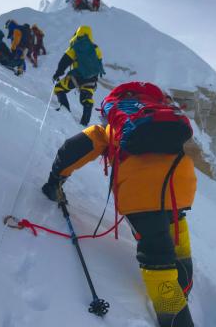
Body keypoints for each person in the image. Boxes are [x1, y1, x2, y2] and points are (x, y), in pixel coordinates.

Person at [41, 82, 196, 327]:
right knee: (176, 236)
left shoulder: (116, 122)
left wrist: (54, 182)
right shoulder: (160, 112)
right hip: (181, 185)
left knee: (157, 259)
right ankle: (183, 291)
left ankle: (175, 317)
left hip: (141, 193)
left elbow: (74, 149)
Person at [52, 25, 105, 126]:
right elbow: (98, 65)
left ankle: (65, 110)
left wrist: (58, 73)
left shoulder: (76, 46)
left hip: (77, 76)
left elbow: (64, 61)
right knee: (86, 99)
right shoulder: (96, 49)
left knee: (59, 88)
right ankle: (84, 123)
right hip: (91, 79)